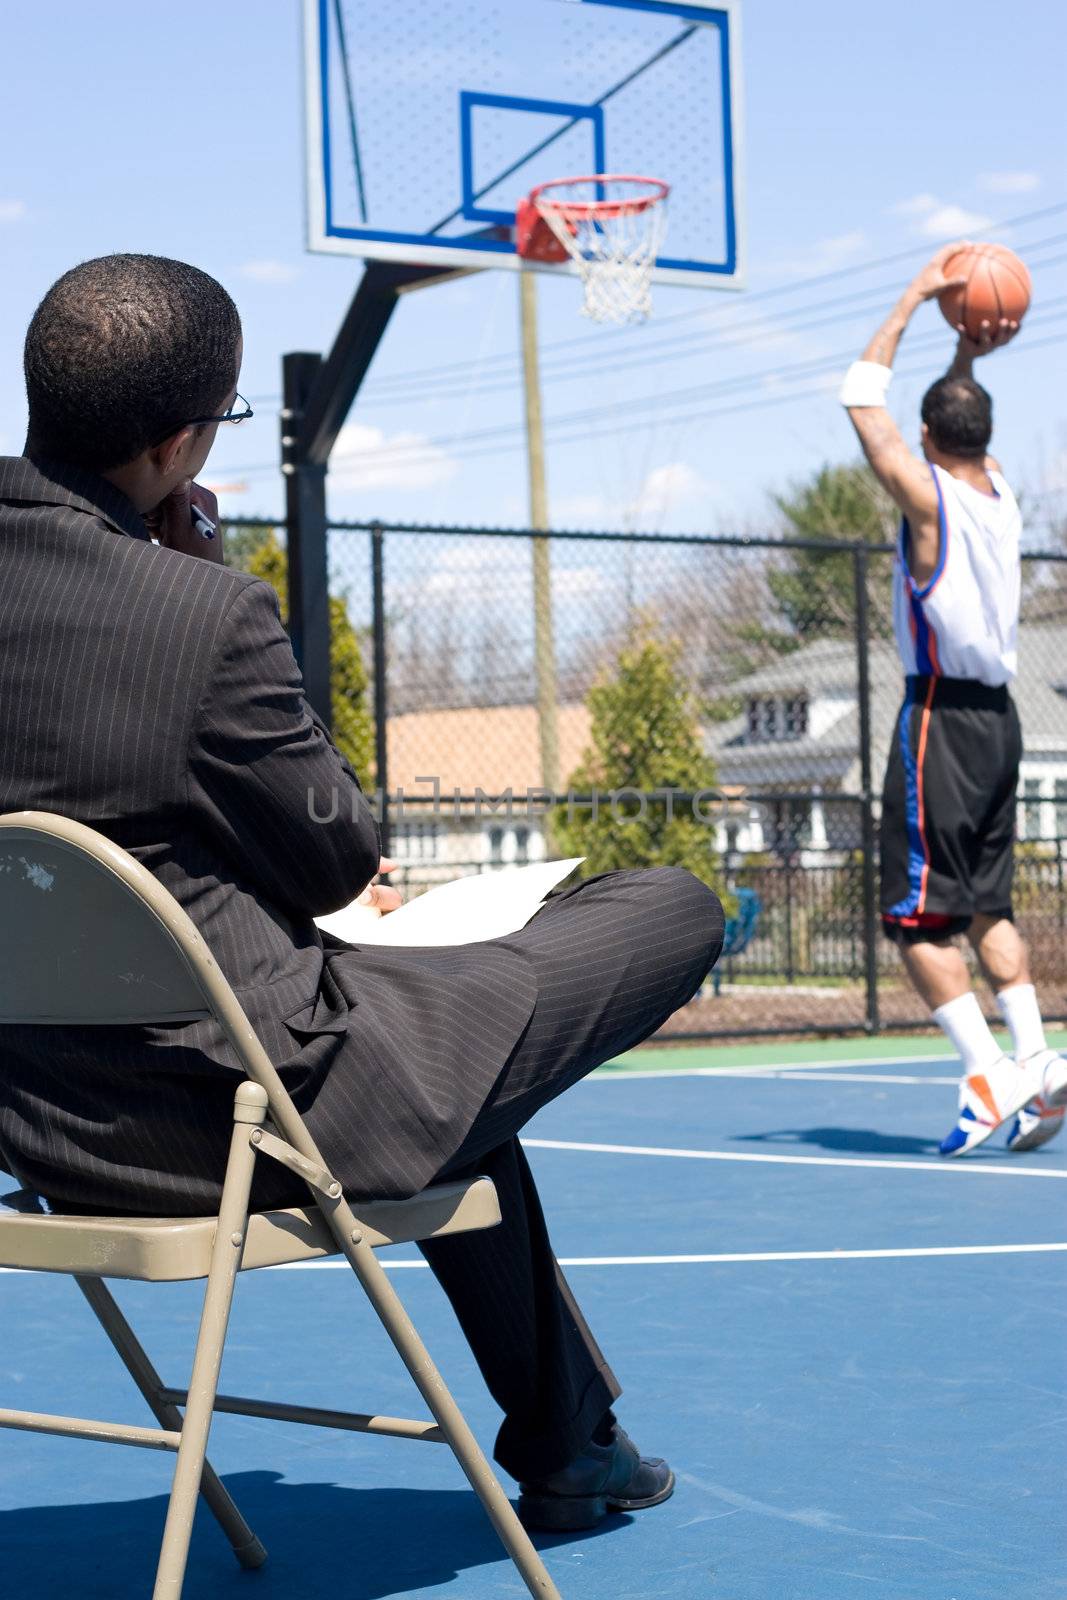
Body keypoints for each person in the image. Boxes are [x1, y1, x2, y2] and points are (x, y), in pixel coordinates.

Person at [0, 254, 724, 1529]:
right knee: (669, 902)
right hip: (256, 1123)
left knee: (459, 1056)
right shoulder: (197, 616)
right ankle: (567, 1444)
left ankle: (570, 1437)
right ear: (175, 445)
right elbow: (341, 857)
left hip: (36, 1124)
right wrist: (201, 572)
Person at [840, 243, 1067, 1158]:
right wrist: (967, 349)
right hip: (1002, 719)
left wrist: (913, 300)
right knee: (987, 908)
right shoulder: (997, 489)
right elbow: (954, 414)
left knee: (912, 918)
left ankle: (987, 1073)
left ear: (928, 438)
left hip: (936, 718)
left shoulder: (927, 498)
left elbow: (861, 400)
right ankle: (1039, 1061)